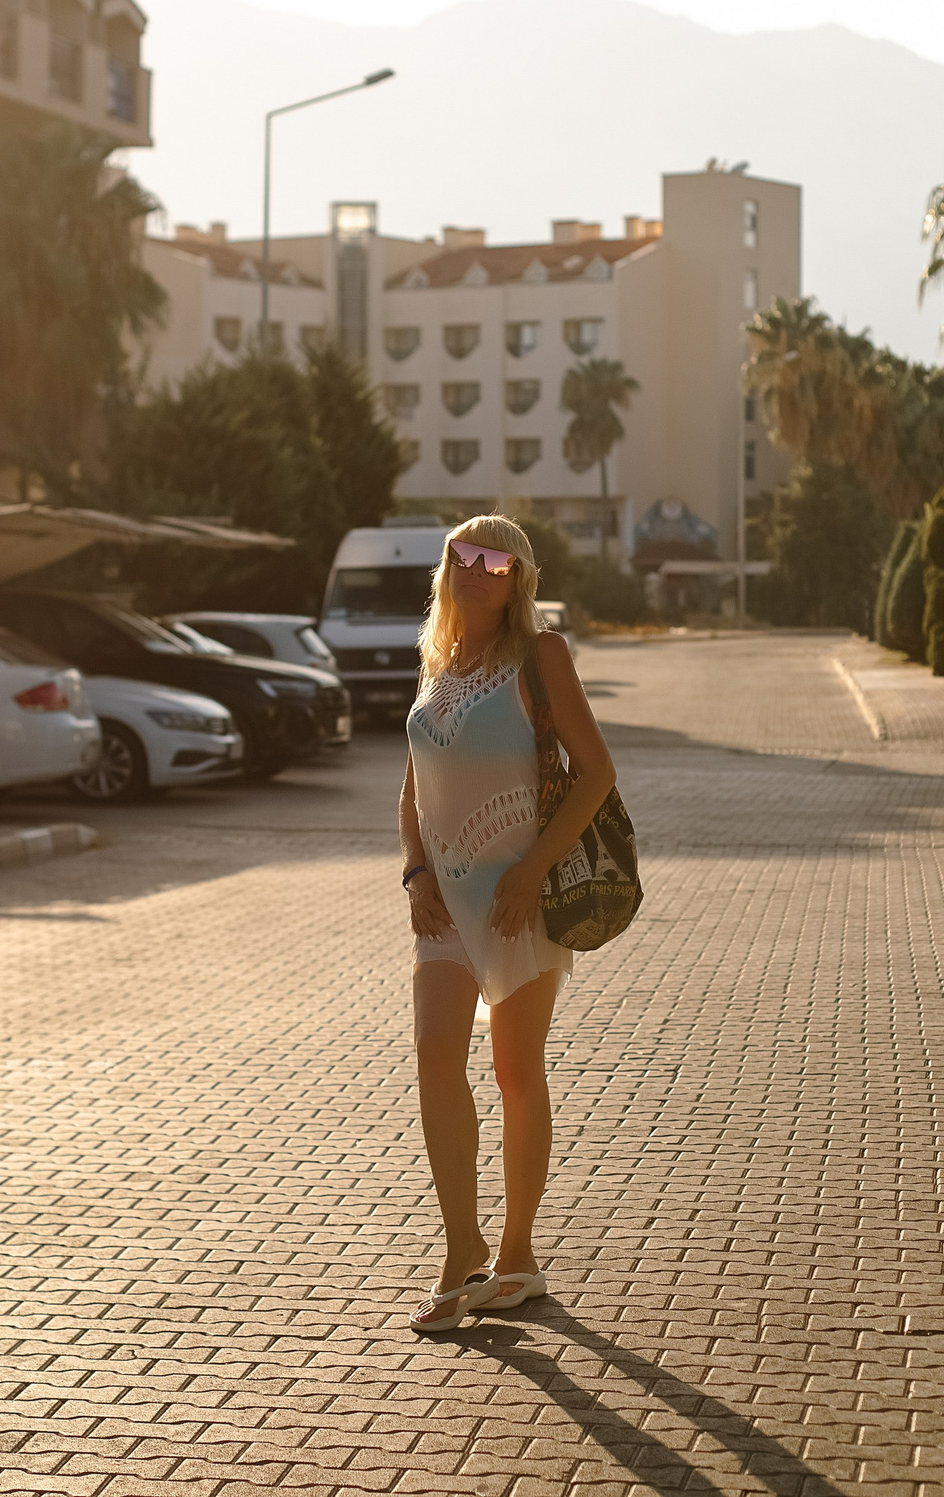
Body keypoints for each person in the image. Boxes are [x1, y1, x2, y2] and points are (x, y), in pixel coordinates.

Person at [396, 515, 618, 1333]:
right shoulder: (438, 662)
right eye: (463, 554)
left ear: (517, 577)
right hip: (443, 902)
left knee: (515, 1071)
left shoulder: (540, 655)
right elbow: (413, 788)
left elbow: (596, 773)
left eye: (495, 559)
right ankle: (463, 1246)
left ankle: (518, 1255)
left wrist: (531, 872)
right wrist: (415, 870)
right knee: (434, 1056)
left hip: (519, 898)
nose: (476, 567)